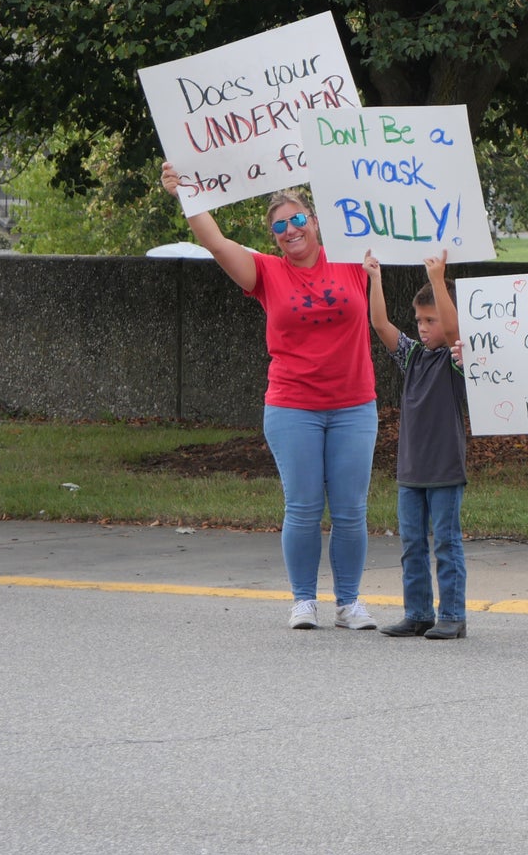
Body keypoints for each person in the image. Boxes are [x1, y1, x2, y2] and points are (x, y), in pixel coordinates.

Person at [159, 166, 379, 631]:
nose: (290, 230)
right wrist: (185, 194)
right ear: (273, 237)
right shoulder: (266, 271)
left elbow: (388, 211)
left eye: (297, 219)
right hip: (292, 406)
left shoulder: (352, 258)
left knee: (350, 510)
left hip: (354, 405)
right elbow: (216, 242)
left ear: (315, 221)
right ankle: (304, 601)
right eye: (279, 226)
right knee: (302, 506)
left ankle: (349, 603)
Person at [364, 249, 470, 640]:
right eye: (419, 320)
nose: (423, 328)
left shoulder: (456, 360)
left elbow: (455, 332)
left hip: (445, 470)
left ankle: (453, 615)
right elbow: (380, 324)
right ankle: (419, 613)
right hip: (411, 471)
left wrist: (438, 279)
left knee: (446, 544)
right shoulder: (412, 357)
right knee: (412, 544)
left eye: (431, 320)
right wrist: (375, 278)